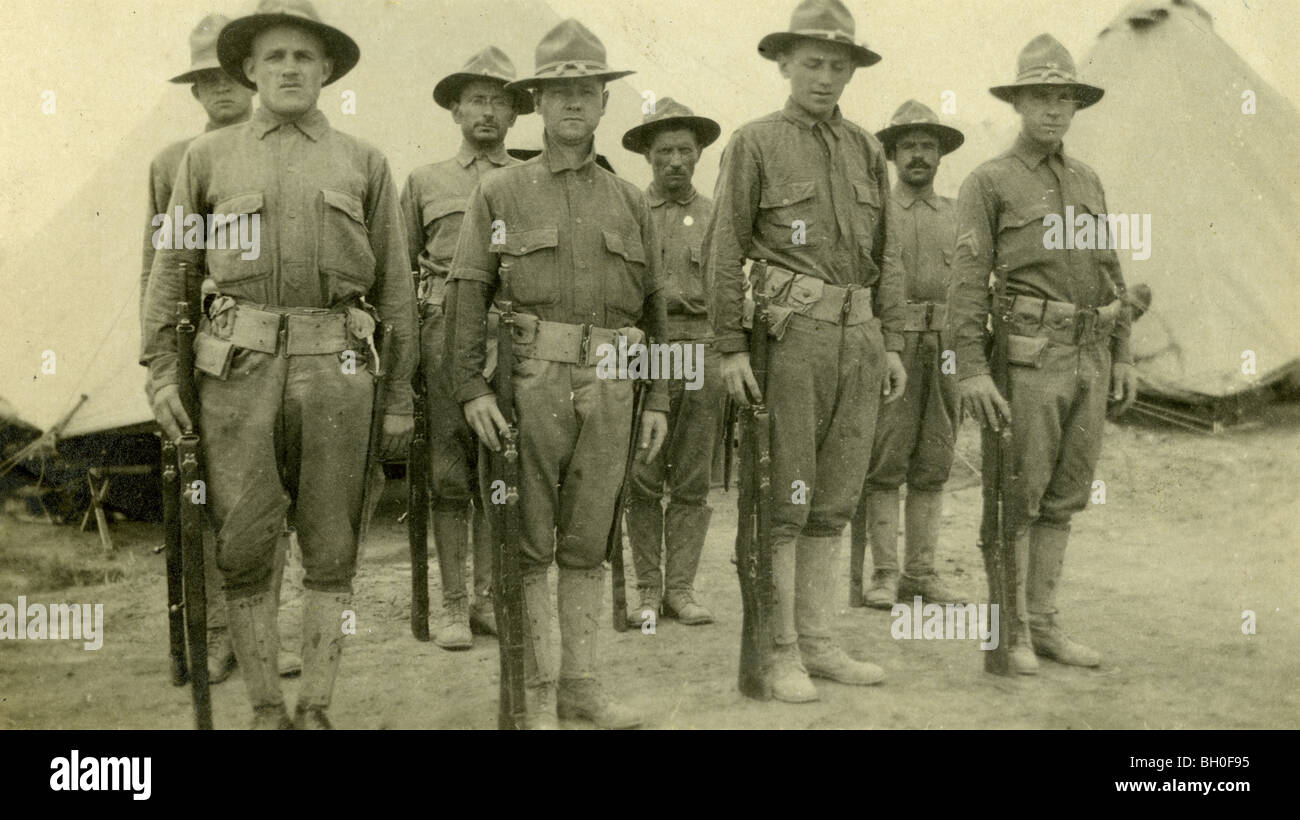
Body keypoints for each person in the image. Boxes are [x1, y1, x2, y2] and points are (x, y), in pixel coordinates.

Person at [142, 0, 417, 728]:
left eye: (304, 56)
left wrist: (401, 400)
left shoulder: (365, 160)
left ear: (327, 68)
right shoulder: (205, 159)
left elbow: (395, 285)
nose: (290, 67)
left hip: (339, 371)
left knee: (333, 539)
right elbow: (170, 270)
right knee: (243, 538)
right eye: (275, 57)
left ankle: (317, 705)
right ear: (249, 70)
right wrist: (161, 372)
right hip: (236, 373)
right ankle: (267, 710)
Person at [446, 18, 670, 729]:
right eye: (559, 91)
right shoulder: (502, 195)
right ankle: (536, 697)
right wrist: (472, 388)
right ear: (537, 103)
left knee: (586, 539)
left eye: (588, 91)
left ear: (605, 104)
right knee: (529, 541)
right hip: (530, 382)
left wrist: (659, 395)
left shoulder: (630, 200)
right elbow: (465, 292)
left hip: (611, 381)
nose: (574, 103)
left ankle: (583, 689)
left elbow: (659, 308)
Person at [705, 0, 907, 703]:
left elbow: (886, 256)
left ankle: (819, 643)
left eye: (838, 65)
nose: (825, 77)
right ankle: (779, 651)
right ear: (784, 64)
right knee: (783, 503)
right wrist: (730, 348)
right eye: (812, 63)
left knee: (834, 501)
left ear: (853, 70)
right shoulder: (755, 142)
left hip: (858, 338)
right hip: (788, 342)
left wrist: (891, 342)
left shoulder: (866, 149)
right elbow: (723, 249)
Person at [948, 34, 1138, 675]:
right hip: (1027, 359)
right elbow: (967, 284)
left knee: (1064, 497)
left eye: (1065, 99)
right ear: (1019, 102)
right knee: (1016, 497)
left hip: (1089, 353)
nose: (1054, 111)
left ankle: (1046, 625)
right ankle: (1010, 637)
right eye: (1041, 98)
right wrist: (971, 368)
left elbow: (1111, 273)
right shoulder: (989, 182)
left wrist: (1126, 354)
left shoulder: (1087, 180)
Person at [400, 46, 531, 650]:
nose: (487, 111)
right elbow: (399, 278)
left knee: (503, 468)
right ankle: (452, 603)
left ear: (515, 113)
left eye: (500, 101)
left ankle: (488, 599)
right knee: (450, 474)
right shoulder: (425, 182)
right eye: (476, 99)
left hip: (513, 338)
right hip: (443, 334)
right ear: (455, 109)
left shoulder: (527, 179)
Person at [850, 100, 964, 609]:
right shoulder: (877, 214)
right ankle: (884, 575)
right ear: (892, 155)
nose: (918, 155)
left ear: (940, 155)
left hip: (944, 349)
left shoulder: (959, 215)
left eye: (927, 146)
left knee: (935, 459)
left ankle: (922, 573)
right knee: (885, 461)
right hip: (891, 349)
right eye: (908, 146)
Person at [619, 99, 724, 628]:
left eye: (686, 150)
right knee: (641, 474)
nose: (676, 160)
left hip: (703, 351)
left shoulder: (718, 218)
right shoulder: (628, 210)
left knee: (691, 479)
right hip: (645, 354)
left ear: (701, 153)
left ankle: (680, 589)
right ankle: (645, 589)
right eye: (664, 151)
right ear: (648, 157)